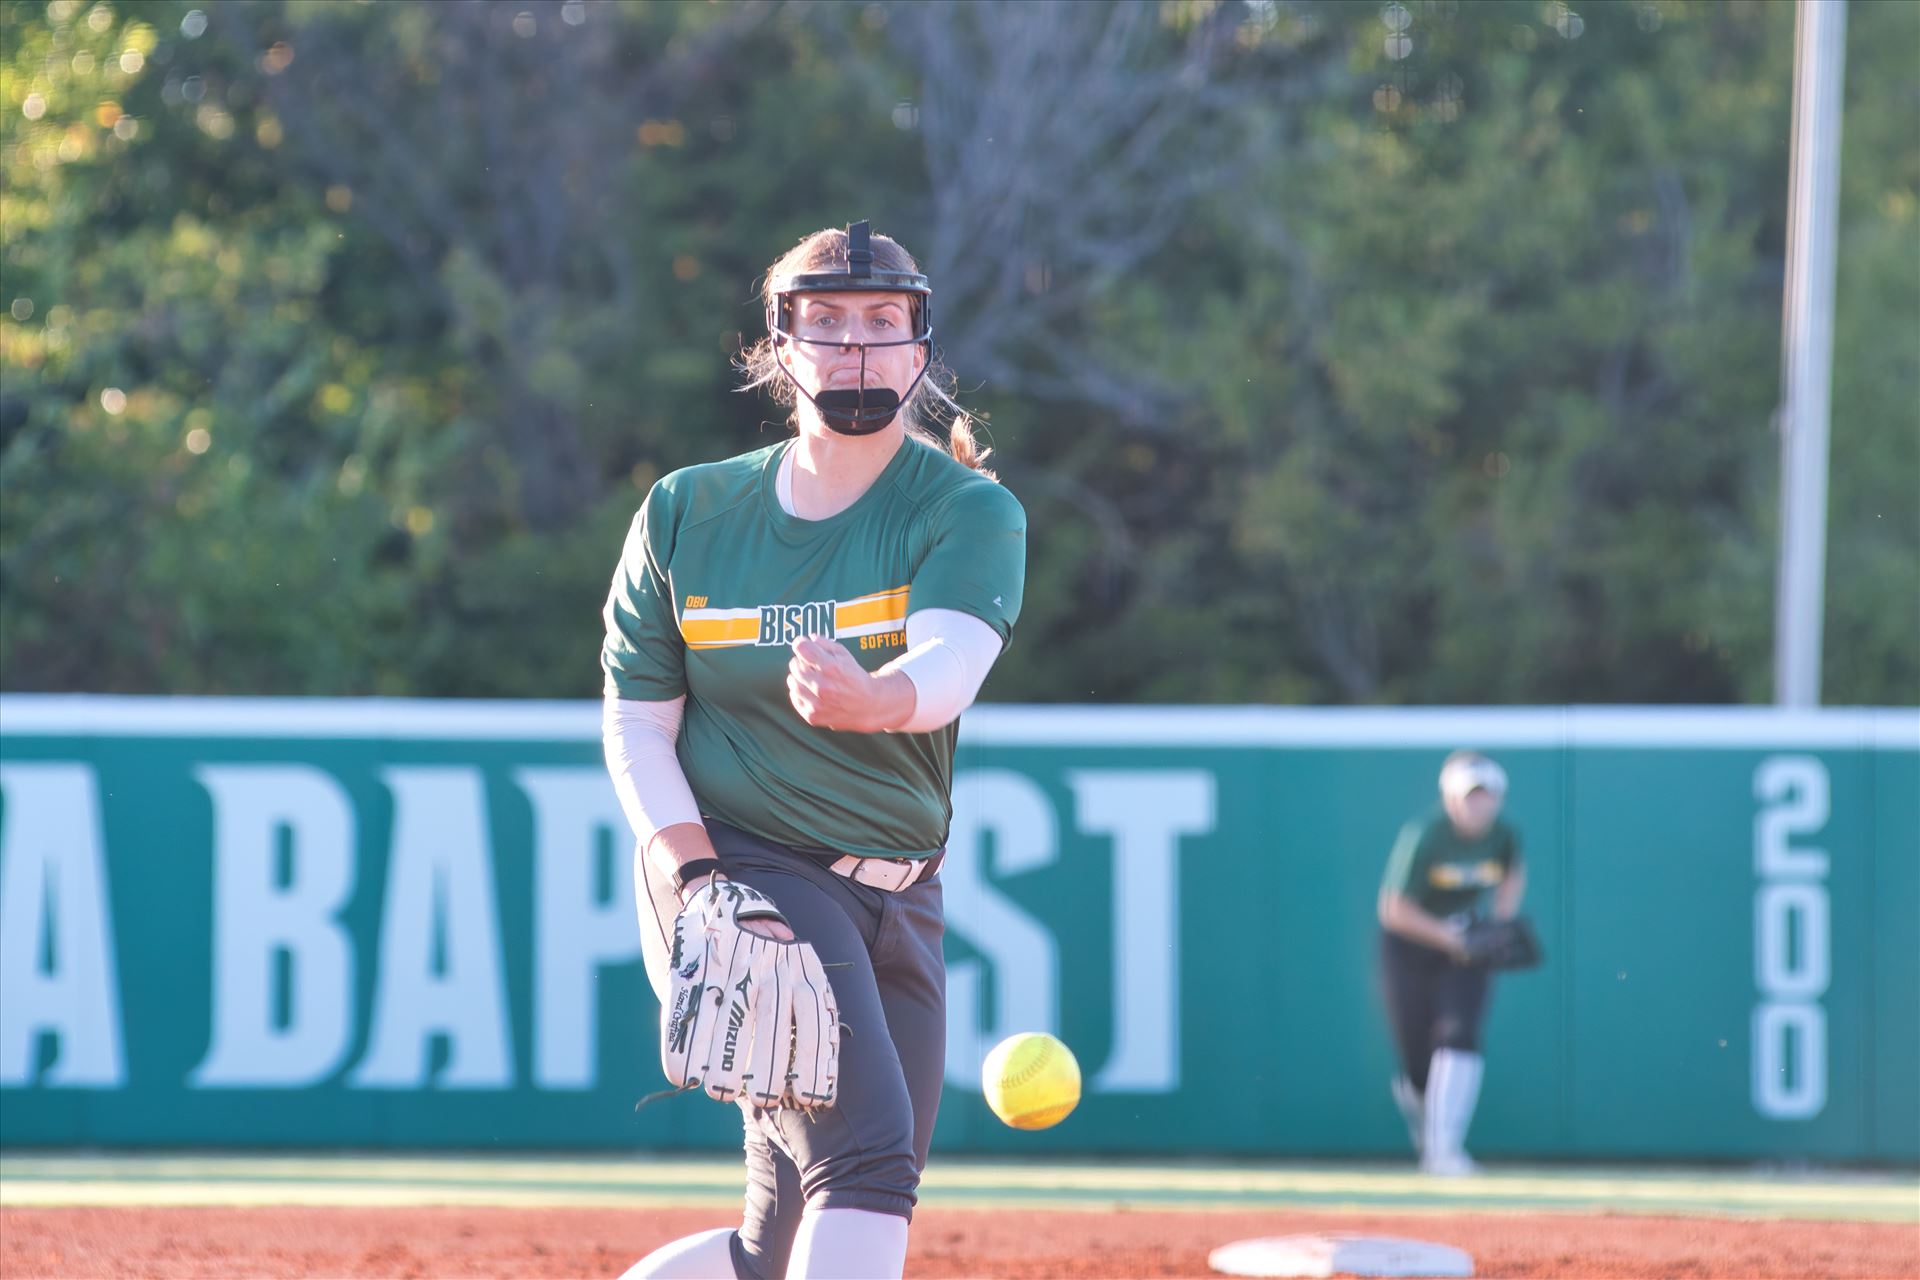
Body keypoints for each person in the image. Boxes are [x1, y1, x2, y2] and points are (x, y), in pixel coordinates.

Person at [601, 221, 1026, 1280]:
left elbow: (951, 664)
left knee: (780, 1238)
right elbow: (638, 720)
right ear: (778, 345)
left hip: (901, 889)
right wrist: (696, 876)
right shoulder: (687, 510)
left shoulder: (966, 507)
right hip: (741, 870)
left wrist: (876, 694)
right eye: (826, 322)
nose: (856, 346)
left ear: (921, 348)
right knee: (870, 1160)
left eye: (884, 322)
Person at [1376, 750, 1527, 1177]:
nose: (1479, 804)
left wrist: (1500, 921)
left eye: (1487, 795)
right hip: (1411, 943)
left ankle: (1446, 1150)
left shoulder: (1503, 834)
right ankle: (1429, 1135)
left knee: (1460, 1034)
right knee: (1415, 1057)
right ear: (1450, 797)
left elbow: (1513, 872)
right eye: (1470, 795)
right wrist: (1449, 937)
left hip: (1465, 942)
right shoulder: (1426, 834)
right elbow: (1393, 909)